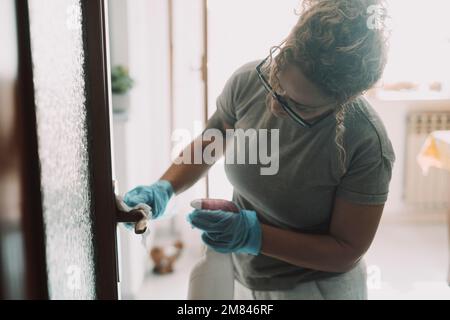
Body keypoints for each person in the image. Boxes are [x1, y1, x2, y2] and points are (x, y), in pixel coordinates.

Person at [123, 0, 395, 300]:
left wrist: (253, 234)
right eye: (276, 80)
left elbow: (345, 251)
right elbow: (212, 140)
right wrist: (165, 187)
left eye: (298, 105)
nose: (275, 105)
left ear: (341, 102)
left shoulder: (366, 143)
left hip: (315, 290)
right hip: (243, 273)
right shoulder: (249, 81)